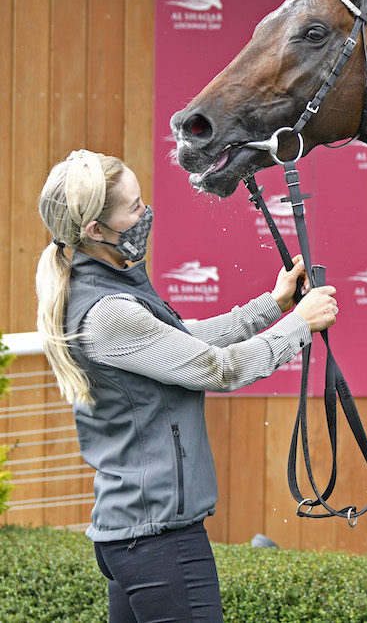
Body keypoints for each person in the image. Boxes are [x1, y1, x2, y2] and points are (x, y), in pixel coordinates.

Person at [34, 149, 338, 622]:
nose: (144, 214)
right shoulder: (109, 311)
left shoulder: (107, 287)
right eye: (133, 208)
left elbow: (182, 341)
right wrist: (300, 324)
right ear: (95, 229)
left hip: (138, 538)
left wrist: (273, 305)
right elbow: (221, 369)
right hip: (159, 543)